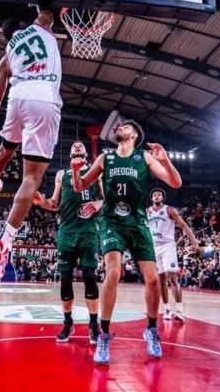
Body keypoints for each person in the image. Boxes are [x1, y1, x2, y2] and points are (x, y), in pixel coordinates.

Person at [71, 120, 182, 364]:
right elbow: (79, 187)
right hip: (112, 221)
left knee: (153, 279)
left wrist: (165, 160)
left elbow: (175, 183)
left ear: (134, 135)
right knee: (113, 273)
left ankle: (151, 329)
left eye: (125, 127)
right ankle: (104, 334)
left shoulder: (144, 158)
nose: (119, 127)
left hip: (137, 222)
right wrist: (76, 170)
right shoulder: (105, 158)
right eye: (119, 127)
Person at [0, 3, 62, 280]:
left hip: (17, 97)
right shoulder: (39, 27)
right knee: (32, 177)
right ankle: (3, 243)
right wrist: (40, 5)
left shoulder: (7, 55)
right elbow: (47, 14)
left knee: (5, 150)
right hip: (43, 94)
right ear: (23, 26)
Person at [34, 141, 103, 344]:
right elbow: (55, 203)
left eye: (81, 145)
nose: (78, 145)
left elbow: (108, 199)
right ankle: (67, 323)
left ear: (85, 153)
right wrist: (42, 202)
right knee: (65, 279)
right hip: (67, 232)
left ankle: (93, 325)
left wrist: (99, 203)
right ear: (69, 153)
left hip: (88, 232)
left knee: (89, 276)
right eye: (74, 145)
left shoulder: (95, 172)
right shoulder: (61, 174)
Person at [146, 188, 198, 323]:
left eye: (159, 195)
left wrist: (194, 242)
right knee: (160, 280)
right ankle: (167, 309)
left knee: (172, 277)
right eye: (154, 195)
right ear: (151, 198)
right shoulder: (147, 211)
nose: (156, 196)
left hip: (168, 246)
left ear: (163, 198)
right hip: (154, 247)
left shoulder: (169, 210)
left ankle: (180, 311)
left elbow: (183, 225)